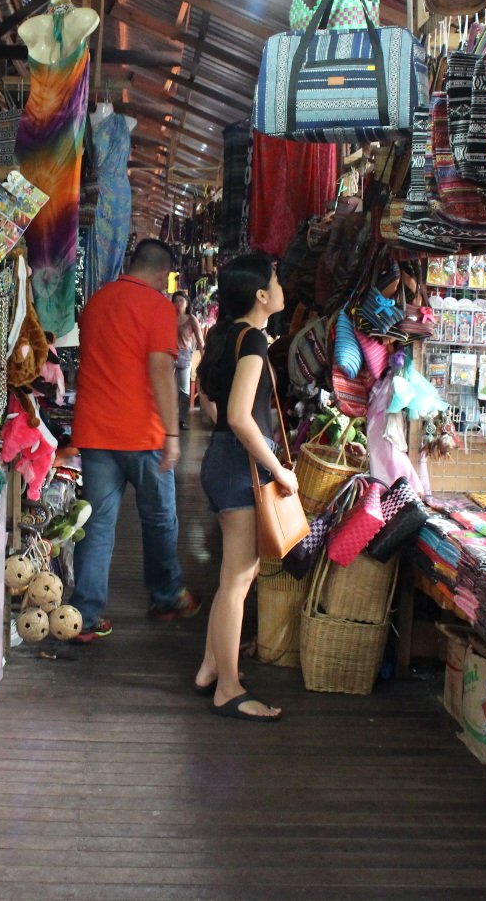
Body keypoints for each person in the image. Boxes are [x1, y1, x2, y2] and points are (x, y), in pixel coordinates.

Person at [68, 238, 200, 643]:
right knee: (160, 519)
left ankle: (85, 617)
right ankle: (165, 596)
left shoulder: (97, 301)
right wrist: (173, 434)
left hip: (95, 431)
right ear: (163, 274)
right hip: (143, 434)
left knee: (98, 525)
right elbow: (162, 372)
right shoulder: (158, 307)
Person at [193, 252, 291, 722]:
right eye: (275, 279)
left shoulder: (225, 335)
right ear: (260, 294)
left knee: (236, 577)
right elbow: (237, 416)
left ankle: (212, 668)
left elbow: (211, 404)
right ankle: (228, 689)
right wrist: (279, 468)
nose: (280, 285)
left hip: (223, 461)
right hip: (240, 467)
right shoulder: (251, 339)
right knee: (237, 581)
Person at [173, 292, 203, 430]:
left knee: (184, 390)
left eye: (181, 301)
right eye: (176, 301)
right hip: (170, 355)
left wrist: (204, 359)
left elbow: (201, 341)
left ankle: (182, 419)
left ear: (186, 303)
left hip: (185, 356)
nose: (179, 304)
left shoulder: (192, 319)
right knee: (168, 388)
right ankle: (168, 417)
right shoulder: (168, 317)